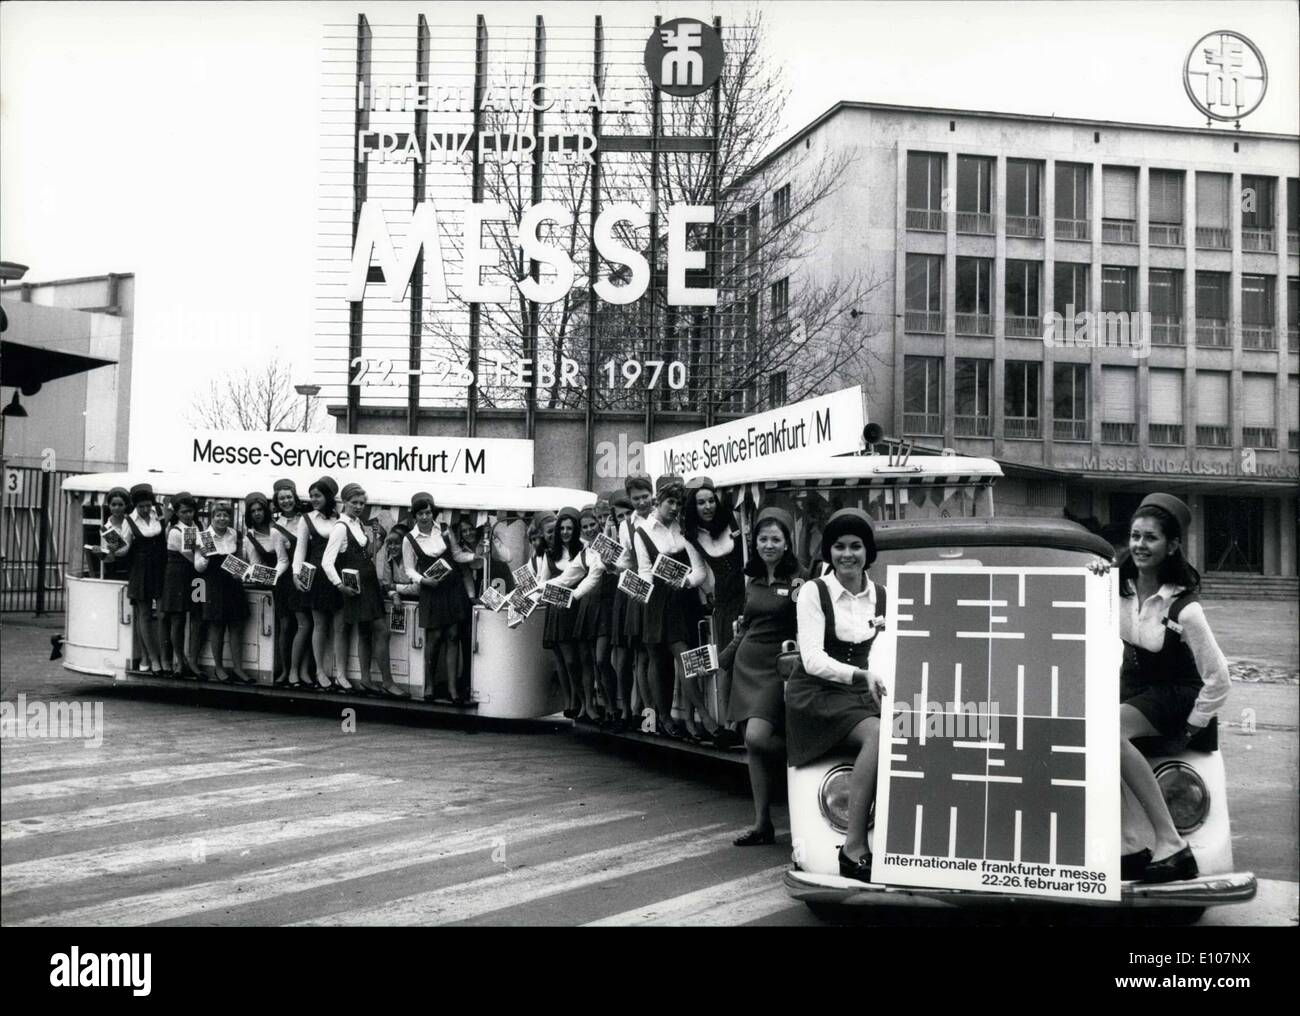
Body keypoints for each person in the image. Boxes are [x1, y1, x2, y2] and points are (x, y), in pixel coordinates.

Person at [1114, 493, 1229, 883]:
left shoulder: (1185, 608)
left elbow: (1218, 677)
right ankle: (1128, 845)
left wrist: (1193, 726)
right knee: (1086, 732)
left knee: (1110, 732)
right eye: (1134, 536)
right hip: (1138, 691)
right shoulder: (1119, 587)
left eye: (1151, 538)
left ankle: (1172, 843)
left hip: (1177, 694)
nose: (1139, 546)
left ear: (1172, 545)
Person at [785, 508, 888, 883]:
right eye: (839, 547)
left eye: (856, 546)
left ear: (868, 551)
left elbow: (889, 648)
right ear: (829, 552)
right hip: (817, 694)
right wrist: (861, 675)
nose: (848, 554)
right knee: (878, 734)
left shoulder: (882, 595)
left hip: (862, 691)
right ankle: (853, 846)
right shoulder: (814, 591)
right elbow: (811, 659)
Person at [720, 506, 805, 845]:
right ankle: (762, 824)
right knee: (753, 748)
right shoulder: (753, 580)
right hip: (746, 668)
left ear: (787, 543)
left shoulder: (799, 578)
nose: (768, 544)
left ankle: (805, 753)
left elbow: (807, 621)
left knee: (758, 737)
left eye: (776, 539)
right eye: (762, 539)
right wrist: (724, 657)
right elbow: (746, 625)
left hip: (778, 669)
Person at [635, 475, 723, 741]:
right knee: (658, 662)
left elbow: (699, 571)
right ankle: (663, 718)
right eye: (670, 502)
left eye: (678, 503)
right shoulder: (642, 532)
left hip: (683, 600)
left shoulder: (684, 531)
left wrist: (684, 582)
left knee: (686, 659)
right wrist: (644, 590)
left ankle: (703, 717)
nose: (674, 508)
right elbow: (644, 570)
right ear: (658, 502)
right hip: (656, 601)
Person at [323, 483, 405, 697]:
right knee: (382, 631)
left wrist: (377, 538)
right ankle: (388, 682)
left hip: (370, 585)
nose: (359, 506)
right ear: (345, 502)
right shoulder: (341, 527)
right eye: (354, 502)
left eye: (362, 503)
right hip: (357, 589)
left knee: (365, 633)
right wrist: (339, 585)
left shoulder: (357, 523)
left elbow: (367, 553)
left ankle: (366, 679)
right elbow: (327, 562)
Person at [684, 476, 745, 749]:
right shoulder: (692, 536)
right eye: (701, 502)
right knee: (725, 664)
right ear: (693, 506)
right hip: (724, 603)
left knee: (748, 661)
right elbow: (698, 572)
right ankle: (728, 723)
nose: (707, 506)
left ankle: (742, 721)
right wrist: (683, 581)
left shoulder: (734, 519)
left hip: (746, 596)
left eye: (711, 500)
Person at [402, 491, 474, 703]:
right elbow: (409, 569)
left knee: (452, 636)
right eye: (421, 514)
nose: (425, 517)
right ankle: (430, 683)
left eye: (428, 512)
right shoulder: (410, 539)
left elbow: (458, 555)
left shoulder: (444, 530)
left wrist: (477, 556)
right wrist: (424, 581)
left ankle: (452, 688)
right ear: (414, 515)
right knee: (434, 639)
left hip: (452, 588)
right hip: (431, 590)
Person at [543, 507, 606, 723]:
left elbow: (587, 577)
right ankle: (578, 701)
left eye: (570, 528)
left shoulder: (585, 549)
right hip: (561, 608)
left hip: (580, 607)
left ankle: (588, 703)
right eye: (562, 528)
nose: (565, 532)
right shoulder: (551, 554)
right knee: (569, 661)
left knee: (586, 658)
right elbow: (547, 581)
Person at [192, 499, 257, 685]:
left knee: (236, 626)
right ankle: (219, 668)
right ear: (212, 517)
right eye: (218, 515)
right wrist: (203, 556)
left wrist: (242, 572)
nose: (222, 518)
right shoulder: (205, 536)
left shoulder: (234, 534)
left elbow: (240, 559)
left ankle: (238, 668)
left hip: (232, 584)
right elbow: (198, 567)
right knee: (217, 627)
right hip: (213, 584)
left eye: (226, 515)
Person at [609, 475, 654, 725]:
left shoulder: (663, 519)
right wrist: (611, 564)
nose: (641, 502)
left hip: (664, 591)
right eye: (636, 498)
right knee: (640, 654)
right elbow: (625, 562)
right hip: (637, 592)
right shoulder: (626, 526)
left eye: (644, 497)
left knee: (651, 657)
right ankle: (643, 715)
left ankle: (648, 714)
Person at [293, 476, 342, 691]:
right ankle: (320, 671)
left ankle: (339, 672)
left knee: (339, 626)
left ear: (328, 497)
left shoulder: (340, 518)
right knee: (319, 625)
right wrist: (296, 574)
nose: (314, 499)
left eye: (318, 495)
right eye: (312, 496)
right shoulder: (307, 519)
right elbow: (300, 549)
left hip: (337, 575)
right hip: (316, 577)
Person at [123, 483, 168, 675]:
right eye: (141, 506)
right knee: (144, 616)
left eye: (148, 505)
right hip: (140, 570)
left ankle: (165, 657)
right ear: (135, 506)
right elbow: (124, 548)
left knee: (163, 613)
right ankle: (153, 658)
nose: (145, 509)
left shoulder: (159, 513)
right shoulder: (129, 521)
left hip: (160, 568)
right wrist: (110, 549)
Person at [270, 478, 310, 688]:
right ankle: (286, 670)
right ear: (277, 501)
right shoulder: (277, 529)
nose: (286, 501)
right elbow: (282, 560)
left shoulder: (307, 518)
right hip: (288, 582)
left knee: (306, 625)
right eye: (282, 498)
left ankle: (302, 670)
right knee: (287, 626)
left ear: (295, 497)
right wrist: (271, 577)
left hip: (308, 578)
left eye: (289, 497)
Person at [160, 491, 204, 679]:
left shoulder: (200, 527)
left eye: (191, 511)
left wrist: (203, 551)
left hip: (197, 579)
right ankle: (180, 661)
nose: (188, 515)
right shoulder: (175, 532)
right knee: (177, 619)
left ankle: (192, 660)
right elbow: (194, 556)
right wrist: (203, 551)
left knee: (198, 616)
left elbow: (205, 553)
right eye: (184, 512)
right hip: (177, 578)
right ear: (177, 513)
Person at [88, 486, 133, 581]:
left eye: (120, 505)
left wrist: (116, 549)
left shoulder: (132, 521)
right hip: (117, 570)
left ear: (126, 506)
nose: (117, 508)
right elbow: (109, 559)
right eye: (113, 504)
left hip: (135, 567)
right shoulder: (106, 528)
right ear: (109, 506)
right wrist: (101, 552)